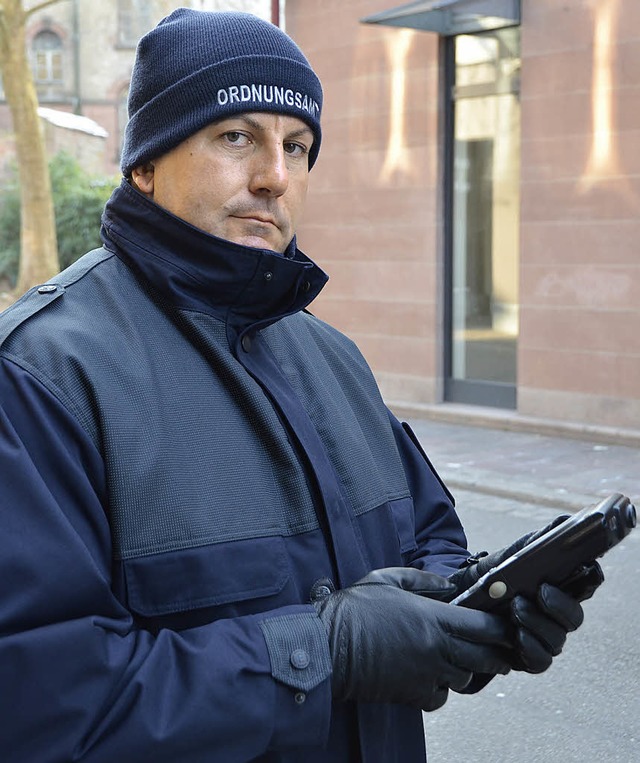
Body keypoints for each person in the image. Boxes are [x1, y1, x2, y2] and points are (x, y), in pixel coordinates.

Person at [0, 9, 602, 763]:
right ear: (145, 164)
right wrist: (325, 650)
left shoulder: (334, 357)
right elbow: (41, 706)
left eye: (298, 146)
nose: (273, 177)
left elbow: (431, 540)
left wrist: (476, 616)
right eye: (236, 137)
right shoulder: (41, 375)